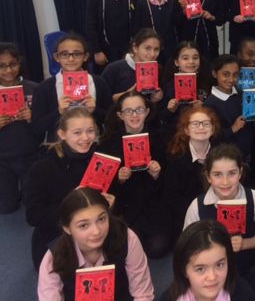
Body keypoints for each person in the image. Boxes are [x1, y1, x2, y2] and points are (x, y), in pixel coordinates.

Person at [183, 144, 255, 301]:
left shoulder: (254, 198)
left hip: (249, 264)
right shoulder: (198, 206)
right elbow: (187, 246)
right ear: (208, 176)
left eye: (232, 173)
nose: (225, 182)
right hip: (213, 271)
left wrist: (244, 243)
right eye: (217, 175)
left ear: (240, 172)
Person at [24, 108, 115, 269]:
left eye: (90, 131)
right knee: (66, 280)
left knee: (114, 269)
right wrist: (72, 203)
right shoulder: (42, 168)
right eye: (77, 133)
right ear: (62, 134)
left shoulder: (101, 159)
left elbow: (108, 198)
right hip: (57, 233)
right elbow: (34, 216)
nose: (85, 138)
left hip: (93, 230)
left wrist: (109, 204)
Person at [37, 187, 154, 300]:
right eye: (83, 225)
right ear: (67, 228)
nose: (97, 231)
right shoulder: (54, 257)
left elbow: (143, 293)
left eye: (101, 219)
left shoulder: (127, 238)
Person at [99, 91, 173, 258]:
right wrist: (118, 179)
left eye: (139, 110)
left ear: (147, 112)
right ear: (120, 115)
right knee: (123, 248)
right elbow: (102, 186)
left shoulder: (161, 138)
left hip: (154, 204)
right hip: (124, 205)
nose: (134, 115)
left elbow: (171, 182)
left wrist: (157, 175)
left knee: (158, 247)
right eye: (128, 111)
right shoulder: (108, 144)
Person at [31, 33, 111, 144]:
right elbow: (36, 127)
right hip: (58, 146)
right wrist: (58, 111)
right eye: (64, 54)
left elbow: (112, 118)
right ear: (56, 57)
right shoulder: (44, 88)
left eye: (77, 54)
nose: (71, 59)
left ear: (85, 56)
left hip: (93, 143)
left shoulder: (98, 83)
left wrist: (95, 110)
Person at [164, 106, 222, 239]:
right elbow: (171, 197)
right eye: (195, 124)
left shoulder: (221, 154)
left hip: (216, 209)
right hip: (186, 214)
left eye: (206, 123)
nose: (201, 127)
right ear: (186, 130)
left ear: (213, 129)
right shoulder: (175, 158)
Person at [162, 220, 255, 301]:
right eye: (200, 269)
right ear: (184, 270)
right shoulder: (169, 298)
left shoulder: (244, 294)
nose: (212, 277)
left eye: (220, 265)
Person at [0, 42, 38, 214]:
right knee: (7, 207)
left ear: (19, 63)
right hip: (2, 158)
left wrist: (33, 117)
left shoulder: (34, 88)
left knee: (34, 203)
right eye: (2, 66)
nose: (8, 70)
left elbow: (46, 123)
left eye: (12, 64)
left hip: (29, 155)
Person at [85, 0, 141, 72]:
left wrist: (135, 48)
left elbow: (137, 23)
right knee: (106, 83)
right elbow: (91, 25)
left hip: (128, 51)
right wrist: (96, 51)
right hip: (104, 52)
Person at [203, 54, 254, 161]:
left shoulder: (242, 95)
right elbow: (211, 137)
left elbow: (248, 123)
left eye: (235, 75)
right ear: (214, 74)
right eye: (226, 74)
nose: (231, 79)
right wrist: (232, 129)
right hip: (225, 158)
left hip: (247, 154)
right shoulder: (209, 104)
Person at [159, 41, 211, 139]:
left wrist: (203, 107)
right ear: (176, 62)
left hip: (202, 133)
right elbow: (160, 118)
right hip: (175, 136)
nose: (191, 61)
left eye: (195, 58)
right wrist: (169, 110)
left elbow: (214, 113)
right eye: (185, 58)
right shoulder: (168, 86)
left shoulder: (207, 83)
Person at [101, 28, 164, 104]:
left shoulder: (158, 70)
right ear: (135, 48)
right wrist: (128, 94)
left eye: (156, 49)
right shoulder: (114, 68)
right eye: (147, 48)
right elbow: (102, 99)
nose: (152, 54)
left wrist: (154, 99)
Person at [133, 0, 179, 65]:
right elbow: (137, 29)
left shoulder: (172, 2)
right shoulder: (142, 3)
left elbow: (178, 26)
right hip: (150, 52)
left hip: (169, 50)